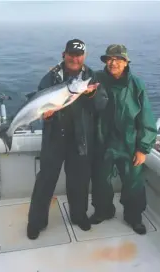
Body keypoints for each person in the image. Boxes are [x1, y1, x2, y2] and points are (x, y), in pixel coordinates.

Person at [27, 39, 108, 239]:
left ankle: (79, 216)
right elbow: (38, 104)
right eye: (71, 54)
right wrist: (45, 116)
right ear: (64, 54)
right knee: (45, 180)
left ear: (84, 56)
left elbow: (102, 104)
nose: (74, 58)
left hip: (81, 139)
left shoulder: (92, 78)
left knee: (79, 181)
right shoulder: (50, 77)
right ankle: (36, 222)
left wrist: (92, 94)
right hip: (54, 137)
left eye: (79, 54)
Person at [90, 44, 157, 234]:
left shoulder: (137, 85)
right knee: (100, 180)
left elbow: (146, 118)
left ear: (126, 62)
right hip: (102, 142)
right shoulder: (95, 79)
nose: (112, 63)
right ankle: (103, 211)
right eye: (109, 59)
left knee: (133, 183)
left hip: (129, 144)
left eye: (117, 59)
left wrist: (143, 148)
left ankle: (134, 217)